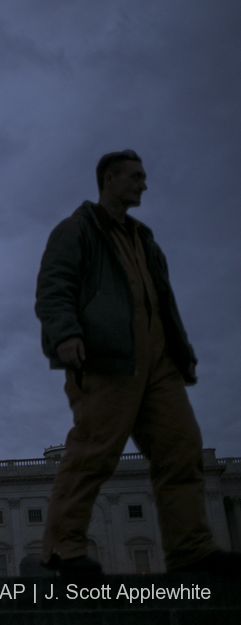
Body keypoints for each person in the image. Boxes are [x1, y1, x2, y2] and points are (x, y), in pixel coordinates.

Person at [35, 150, 240, 578]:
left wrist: (180, 354)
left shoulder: (144, 239)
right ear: (109, 179)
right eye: (135, 176)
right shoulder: (76, 231)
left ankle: (191, 549)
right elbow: (54, 287)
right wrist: (67, 334)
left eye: (144, 177)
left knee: (182, 449)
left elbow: (158, 300)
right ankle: (64, 548)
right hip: (107, 355)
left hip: (158, 360)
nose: (143, 184)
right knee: (94, 452)